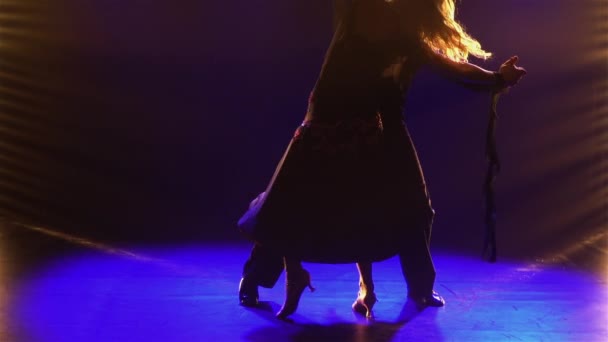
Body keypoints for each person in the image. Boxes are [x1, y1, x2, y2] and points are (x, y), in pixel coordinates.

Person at [237, 0, 526, 319]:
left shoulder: (412, 38)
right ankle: (254, 278)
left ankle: (418, 286)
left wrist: (498, 79)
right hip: (327, 117)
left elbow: (453, 67)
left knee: (414, 205)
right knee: (287, 202)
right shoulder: (360, 10)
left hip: (382, 122)